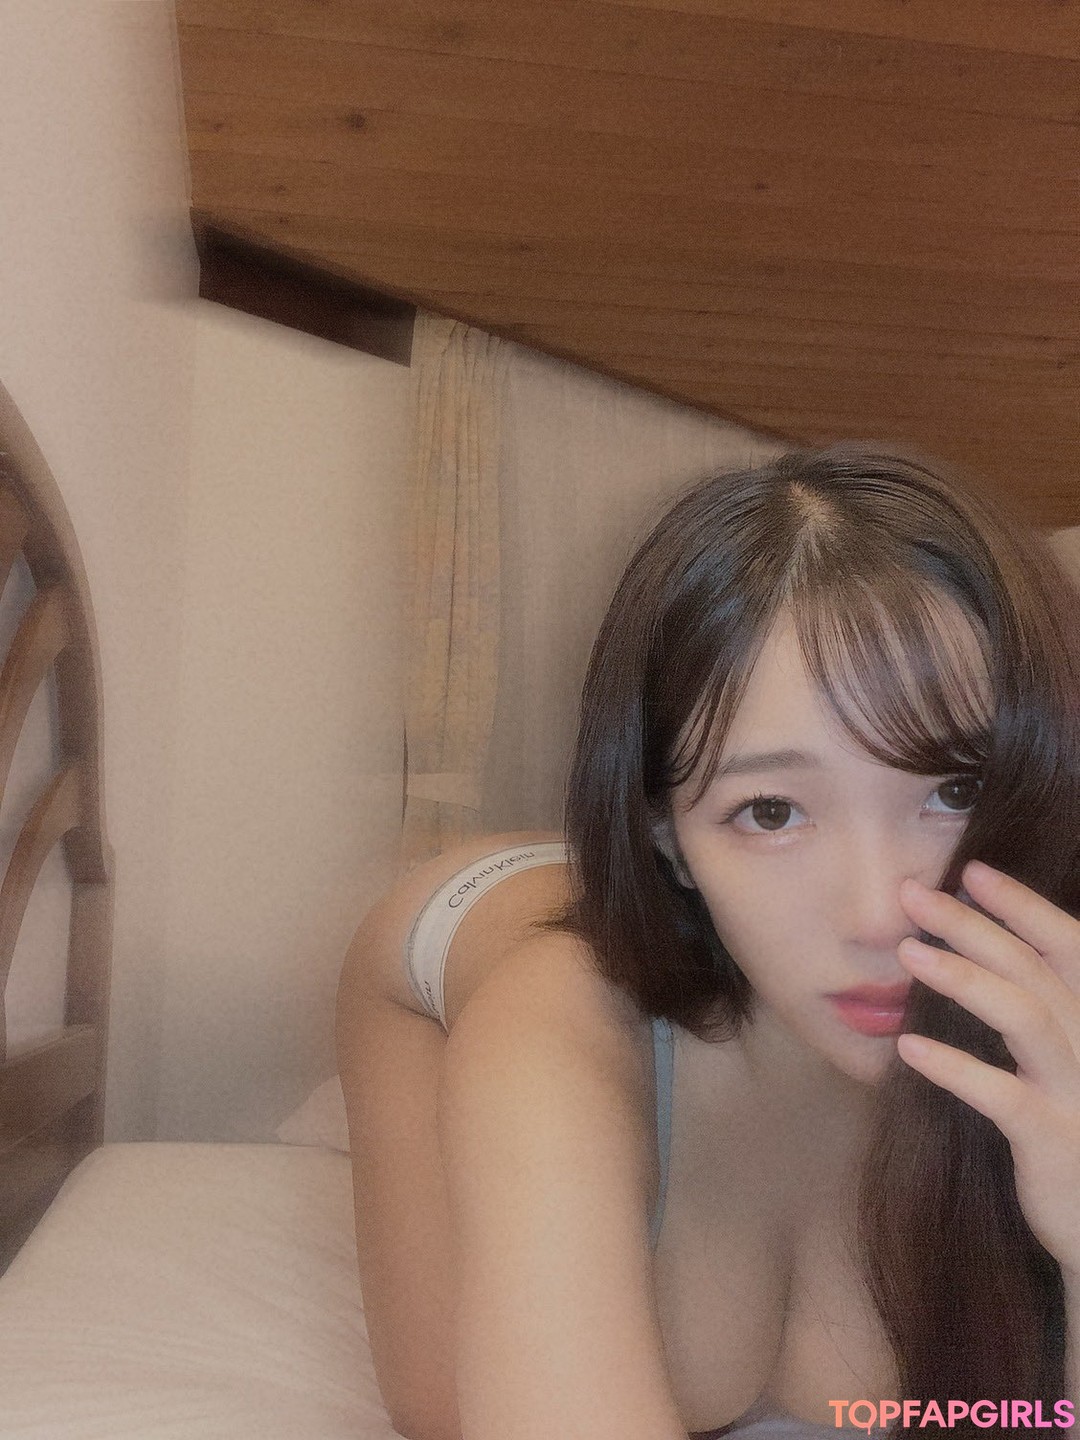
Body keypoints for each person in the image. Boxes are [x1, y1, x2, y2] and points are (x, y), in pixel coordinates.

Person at [336, 444, 1080, 1440]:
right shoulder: (551, 1030)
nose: (880, 913)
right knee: (443, 1403)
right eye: (772, 810)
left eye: (955, 789)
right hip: (478, 942)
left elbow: (1024, 1413)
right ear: (664, 834)